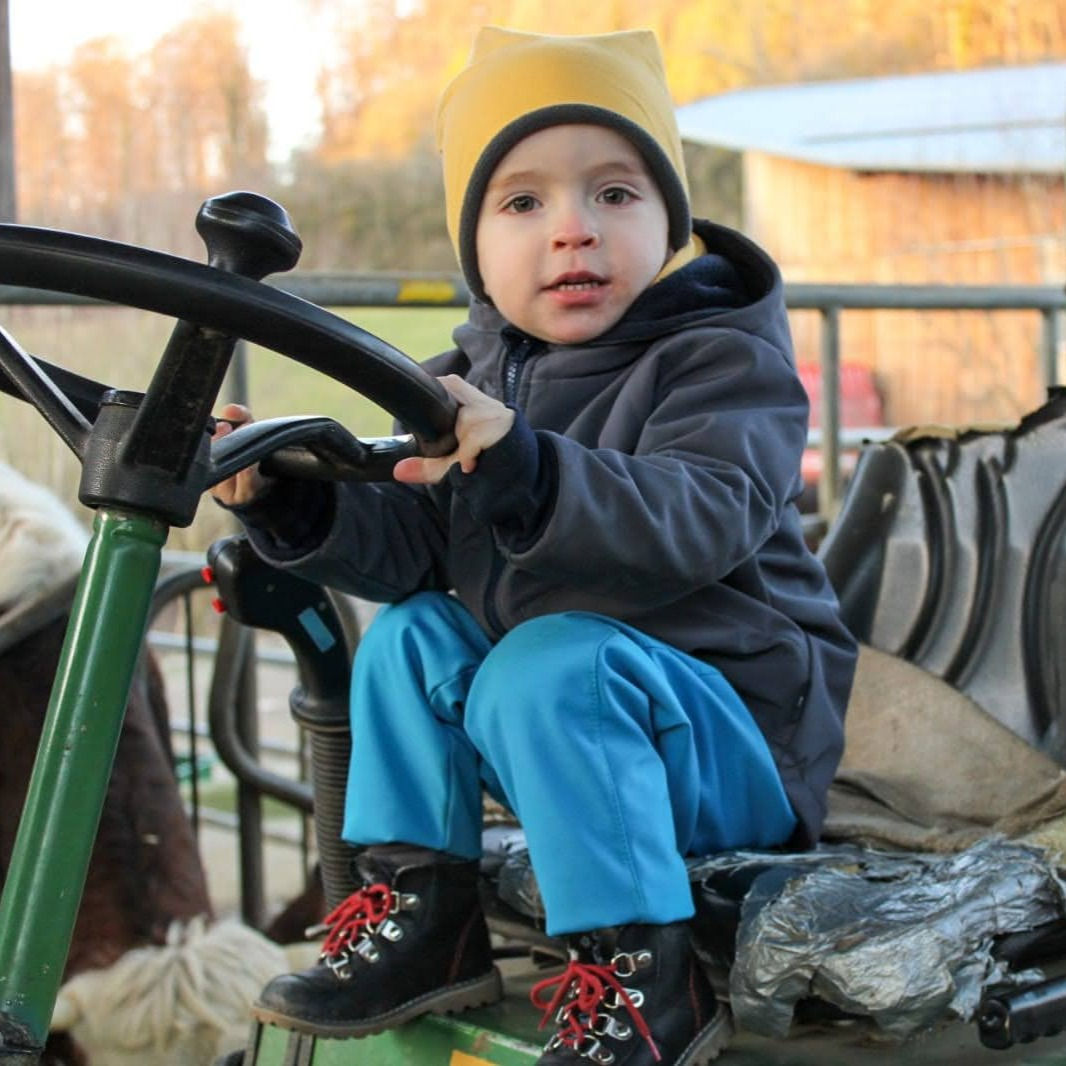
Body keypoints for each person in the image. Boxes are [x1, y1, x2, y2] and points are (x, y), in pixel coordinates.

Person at [212, 26, 858, 1066]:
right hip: (562, 738)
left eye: (613, 193)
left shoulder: (722, 365)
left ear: (670, 225)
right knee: (413, 631)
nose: (572, 231)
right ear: (475, 248)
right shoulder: (466, 380)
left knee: (543, 660)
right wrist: (288, 505)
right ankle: (429, 916)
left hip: (725, 748)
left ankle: (645, 976)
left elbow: (699, 512)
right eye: (522, 202)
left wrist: (532, 468)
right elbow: (414, 546)